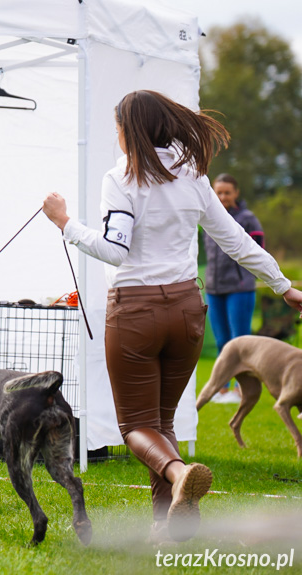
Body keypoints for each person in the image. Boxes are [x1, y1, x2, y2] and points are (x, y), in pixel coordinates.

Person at [41, 90, 302, 543]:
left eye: (117, 126)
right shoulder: (194, 176)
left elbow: (114, 251)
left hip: (136, 314)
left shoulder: (120, 177)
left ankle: (180, 476)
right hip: (186, 311)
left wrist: (65, 223)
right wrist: (284, 286)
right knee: (161, 423)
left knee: (136, 428)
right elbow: (236, 240)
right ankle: (168, 526)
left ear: (129, 130)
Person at [203, 173, 263, 403]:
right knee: (222, 342)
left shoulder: (247, 218)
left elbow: (259, 249)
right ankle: (222, 390)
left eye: (227, 192)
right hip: (214, 289)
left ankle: (242, 389)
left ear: (236, 193)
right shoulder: (209, 218)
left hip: (240, 288)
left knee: (241, 341)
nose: (223, 196)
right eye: (219, 192)